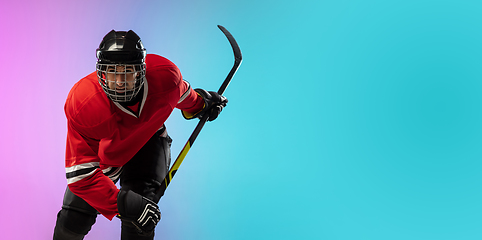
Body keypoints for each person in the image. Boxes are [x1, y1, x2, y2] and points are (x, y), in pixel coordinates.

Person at [53, 30, 227, 240]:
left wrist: (202, 104)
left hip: (148, 143)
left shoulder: (165, 77)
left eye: (127, 72)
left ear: (141, 71)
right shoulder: (84, 103)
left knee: (141, 220)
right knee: (74, 217)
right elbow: (81, 177)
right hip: (107, 155)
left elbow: (184, 95)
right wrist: (123, 204)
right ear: (101, 72)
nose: (119, 81)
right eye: (112, 72)